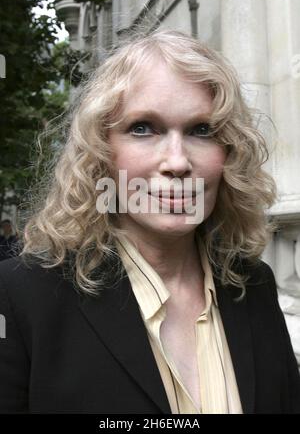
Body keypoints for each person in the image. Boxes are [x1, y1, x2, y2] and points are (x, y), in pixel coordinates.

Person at [0, 29, 299, 414]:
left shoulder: (254, 283)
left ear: (229, 154)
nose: (176, 162)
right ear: (101, 154)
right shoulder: (21, 298)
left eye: (201, 130)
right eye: (142, 128)